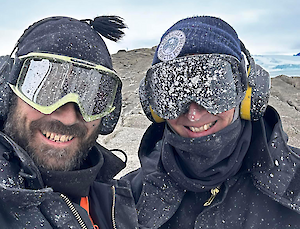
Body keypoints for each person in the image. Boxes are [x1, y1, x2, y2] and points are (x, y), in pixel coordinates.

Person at [124, 16, 300, 228]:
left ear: (247, 94)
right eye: (173, 93)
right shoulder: (127, 197)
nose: (194, 115)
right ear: (154, 107)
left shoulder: (295, 184)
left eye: (214, 89)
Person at [0, 16, 138, 228]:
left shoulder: (112, 200)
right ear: (8, 92)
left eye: (90, 97)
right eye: (44, 89)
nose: (68, 117)